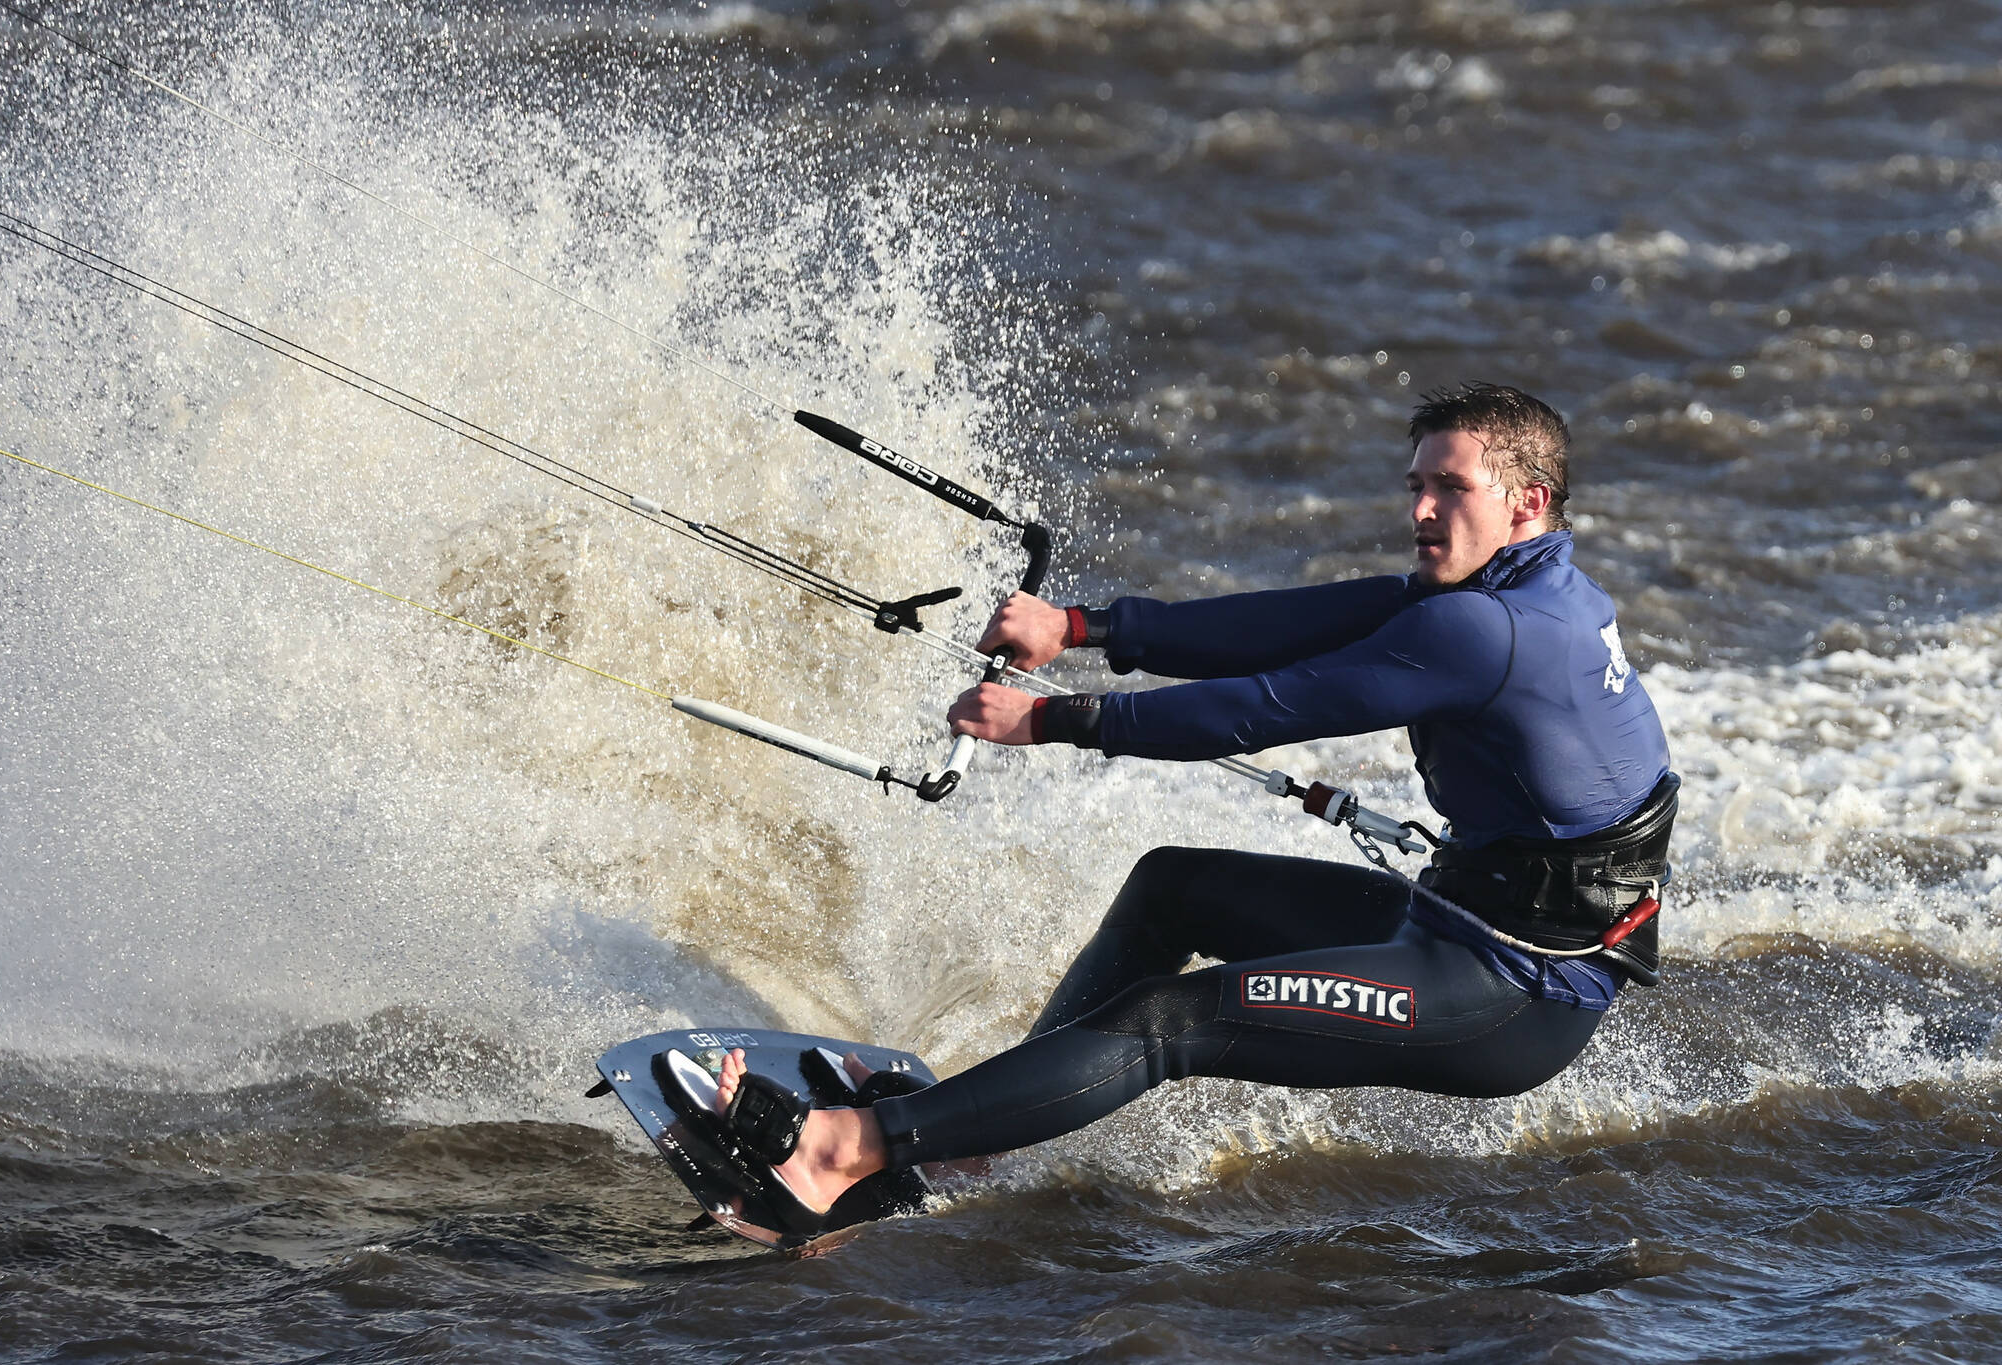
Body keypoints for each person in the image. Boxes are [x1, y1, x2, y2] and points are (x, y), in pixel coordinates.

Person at [705, 382, 1676, 1225]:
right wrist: (1083, 626)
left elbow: (1269, 705)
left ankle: (843, 1152)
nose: (1421, 508)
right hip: (1460, 916)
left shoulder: (1487, 629)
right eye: (1414, 485)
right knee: (1171, 888)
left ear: (1526, 502)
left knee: (1165, 1022)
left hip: (1513, 991)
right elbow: (1282, 625)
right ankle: (970, 1139)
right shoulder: (1523, 591)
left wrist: (1051, 722)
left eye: (1449, 488)